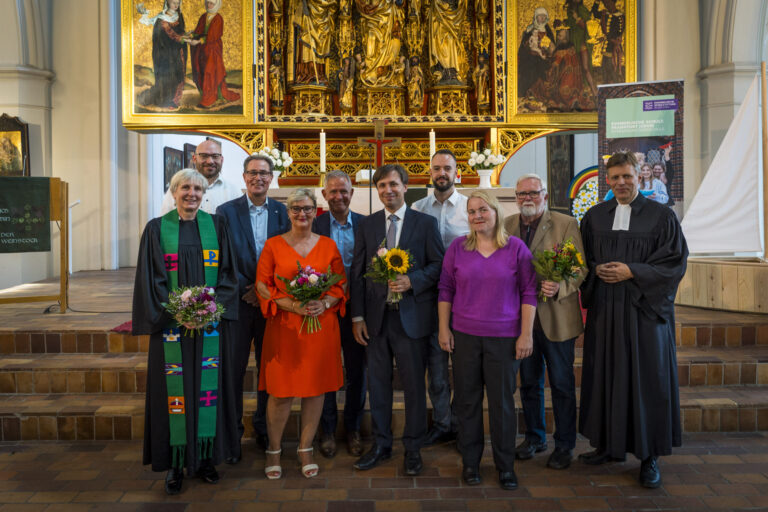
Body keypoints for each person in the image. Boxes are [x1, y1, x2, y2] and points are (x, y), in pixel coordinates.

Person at [578, 151, 688, 488]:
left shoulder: (661, 216)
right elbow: (583, 259)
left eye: (627, 176)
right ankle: (609, 446)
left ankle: (649, 455)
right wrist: (595, 269)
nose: (621, 183)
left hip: (644, 312)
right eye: (615, 177)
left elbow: (674, 264)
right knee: (606, 375)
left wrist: (632, 271)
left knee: (646, 381)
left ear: (639, 176)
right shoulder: (595, 216)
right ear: (607, 180)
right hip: (606, 311)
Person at [132, 168, 240, 495]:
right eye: (185, 188)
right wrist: (180, 312)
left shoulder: (218, 226)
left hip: (209, 328)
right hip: (172, 330)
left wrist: (208, 311)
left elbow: (228, 275)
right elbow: (152, 281)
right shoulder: (156, 230)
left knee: (208, 392)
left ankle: (206, 458)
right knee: (173, 396)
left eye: (197, 188)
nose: (191, 193)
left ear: (204, 193)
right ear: (174, 191)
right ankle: (176, 462)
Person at [438, 190, 537, 490]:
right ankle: (471, 463)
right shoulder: (457, 248)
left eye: (483, 210)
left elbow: (529, 293)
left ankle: (505, 466)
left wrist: (526, 333)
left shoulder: (517, 249)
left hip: (504, 339)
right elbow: (445, 290)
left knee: (502, 404)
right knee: (467, 403)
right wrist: (444, 328)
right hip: (465, 337)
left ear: (495, 212)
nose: (477, 216)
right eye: (472, 211)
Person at [350, 164, 444, 476]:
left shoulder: (425, 223)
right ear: (376, 191)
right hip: (377, 321)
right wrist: (358, 316)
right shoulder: (367, 225)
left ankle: (413, 447)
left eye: (393, 184)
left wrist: (412, 280)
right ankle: (381, 444)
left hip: (412, 319)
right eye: (381, 186)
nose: (387, 191)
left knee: (415, 386)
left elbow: (438, 265)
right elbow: (359, 272)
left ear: (405, 186)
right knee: (377, 385)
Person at [256, 188, 346, 479]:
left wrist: (325, 301)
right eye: (296, 208)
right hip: (285, 328)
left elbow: (339, 284)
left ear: (315, 210)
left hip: (320, 326)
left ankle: (306, 448)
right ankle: (274, 448)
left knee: (315, 390)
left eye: (307, 208)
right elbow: (262, 286)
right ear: (288, 212)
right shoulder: (273, 245)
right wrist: (293, 305)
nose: (302, 214)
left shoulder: (328, 245)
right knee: (281, 393)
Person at [503, 174, 586, 470]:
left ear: (545, 196)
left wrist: (560, 286)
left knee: (562, 384)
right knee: (528, 383)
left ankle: (564, 443)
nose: (527, 198)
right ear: (516, 197)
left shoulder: (565, 224)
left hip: (556, 318)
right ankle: (535, 436)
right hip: (522, 321)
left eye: (533, 193)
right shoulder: (508, 225)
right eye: (522, 194)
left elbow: (577, 268)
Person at [215, 155, 290, 461]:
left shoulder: (282, 212)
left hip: (272, 303)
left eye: (264, 173)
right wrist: (246, 289)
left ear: (271, 178)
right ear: (244, 177)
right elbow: (219, 258)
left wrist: (266, 290)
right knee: (233, 370)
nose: (258, 178)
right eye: (253, 173)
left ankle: (263, 427)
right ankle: (232, 433)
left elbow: (288, 253)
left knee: (268, 370)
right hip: (238, 303)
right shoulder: (225, 212)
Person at [411, 149, 469, 447]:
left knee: (463, 366)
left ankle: (461, 425)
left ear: (456, 172)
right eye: (436, 168)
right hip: (430, 298)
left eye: (447, 168)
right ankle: (443, 422)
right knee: (436, 368)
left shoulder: (471, 208)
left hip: (465, 298)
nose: (441, 173)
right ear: (429, 173)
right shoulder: (419, 208)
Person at [312, 170, 367, 458]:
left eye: (343, 191)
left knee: (357, 372)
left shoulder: (366, 225)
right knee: (326, 370)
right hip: (324, 310)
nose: (338, 196)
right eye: (332, 191)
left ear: (351, 193)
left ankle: (354, 428)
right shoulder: (314, 223)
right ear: (324, 195)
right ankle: (328, 430)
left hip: (356, 311)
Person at [161, 139, 242, 214]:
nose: (210, 161)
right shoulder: (177, 188)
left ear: (222, 159)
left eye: (215, 156)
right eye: (204, 156)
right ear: (194, 159)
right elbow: (165, 221)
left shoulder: (234, 192)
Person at [189, 0, 241, 108]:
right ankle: (207, 96)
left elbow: (213, 36)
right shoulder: (204, 16)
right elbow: (199, 31)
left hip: (213, 50)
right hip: (202, 50)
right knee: (202, 71)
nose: (209, 5)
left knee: (211, 72)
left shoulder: (218, 18)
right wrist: (192, 35)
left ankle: (210, 100)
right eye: (208, 3)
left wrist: (198, 41)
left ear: (216, 4)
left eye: (212, 3)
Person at [138, 0, 188, 109]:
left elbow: (181, 31)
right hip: (166, 56)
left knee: (177, 76)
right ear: (168, 3)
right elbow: (160, 38)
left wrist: (186, 36)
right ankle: (166, 100)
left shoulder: (180, 16)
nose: (176, 5)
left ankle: (174, 100)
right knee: (167, 77)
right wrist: (181, 39)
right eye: (173, 2)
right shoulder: (161, 19)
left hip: (178, 53)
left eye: (178, 3)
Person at [517, 6, 555, 97]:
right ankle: (528, 92)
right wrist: (528, 45)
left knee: (543, 65)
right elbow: (524, 45)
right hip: (530, 56)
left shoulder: (548, 30)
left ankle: (541, 93)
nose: (542, 18)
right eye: (540, 16)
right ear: (536, 17)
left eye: (544, 16)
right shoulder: (530, 29)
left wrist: (547, 46)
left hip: (544, 56)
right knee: (530, 66)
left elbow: (552, 46)